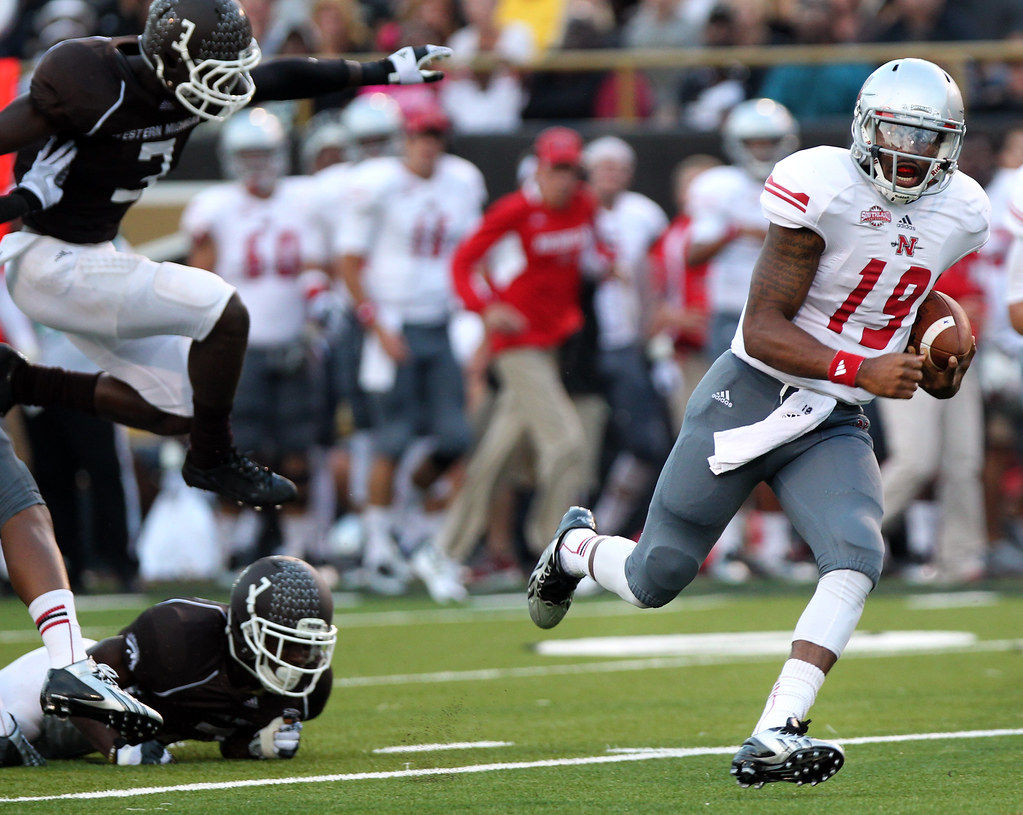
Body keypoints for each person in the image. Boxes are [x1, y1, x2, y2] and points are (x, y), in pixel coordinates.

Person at [526, 58, 990, 787]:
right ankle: (576, 547)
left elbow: (908, 295)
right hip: (752, 390)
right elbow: (763, 327)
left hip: (831, 416)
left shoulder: (962, 209)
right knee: (656, 576)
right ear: (866, 129)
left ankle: (776, 728)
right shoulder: (821, 186)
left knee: (855, 552)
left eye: (928, 138)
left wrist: (937, 354)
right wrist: (860, 368)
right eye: (898, 133)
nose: (911, 153)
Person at [0, 0, 452, 510]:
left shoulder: (185, 85)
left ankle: (19, 380)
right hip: (47, 262)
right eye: (216, 71)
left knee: (179, 409)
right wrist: (17, 201)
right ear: (174, 62)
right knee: (223, 309)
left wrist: (384, 70)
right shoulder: (92, 83)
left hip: (89, 257)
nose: (231, 84)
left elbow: (279, 79)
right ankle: (214, 458)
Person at [335, 99, 486, 601]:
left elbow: (474, 250)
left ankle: (405, 526)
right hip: (392, 322)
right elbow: (350, 261)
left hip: (440, 322)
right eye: (421, 135)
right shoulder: (376, 182)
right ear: (405, 138)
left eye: (436, 136)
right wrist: (374, 324)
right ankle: (378, 549)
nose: (429, 145)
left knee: (454, 436)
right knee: (391, 438)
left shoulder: (461, 180)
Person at [438, 126, 599, 570]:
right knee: (567, 441)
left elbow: (583, 259)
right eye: (558, 169)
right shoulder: (515, 211)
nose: (566, 179)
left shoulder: (583, 205)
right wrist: (484, 307)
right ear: (540, 170)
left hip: (550, 344)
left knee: (495, 456)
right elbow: (463, 261)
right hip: (517, 346)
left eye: (572, 170)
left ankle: (443, 552)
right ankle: (556, 552)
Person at [0, 555, 336, 765]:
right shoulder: (180, 633)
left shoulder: (309, 689)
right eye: (286, 642)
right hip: (50, 690)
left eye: (307, 645)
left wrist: (255, 745)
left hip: (83, 743)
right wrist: (118, 749)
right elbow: (78, 677)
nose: (299, 658)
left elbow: (227, 734)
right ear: (247, 632)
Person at [181, 106, 330, 567]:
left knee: (296, 454)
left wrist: (316, 313)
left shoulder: (303, 201)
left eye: (263, 153)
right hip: (237, 353)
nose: (256, 164)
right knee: (235, 451)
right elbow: (198, 274)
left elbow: (314, 268)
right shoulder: (214, 206)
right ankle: (226, 551)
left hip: (291, 344)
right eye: (247, 154)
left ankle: (298, 551)